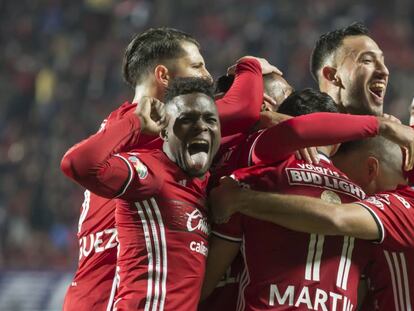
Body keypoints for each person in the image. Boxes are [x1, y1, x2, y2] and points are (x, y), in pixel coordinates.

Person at [62, 26, 276, 310]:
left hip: (93, 290)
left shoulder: (118, 125)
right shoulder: (156, 123)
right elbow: (243, 107)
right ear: (163, 76)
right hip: (116, 296)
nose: (208, 77)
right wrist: (250, 65)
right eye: (197, 65)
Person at [202, 89, 414, 310]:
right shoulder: (362, 199)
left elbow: (207, 280)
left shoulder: (247, 182)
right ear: (337, 141)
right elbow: (359, 289)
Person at [61, 78, 221, 310]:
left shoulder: (205, 185)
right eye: (186, 119)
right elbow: (77, 164)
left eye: (210, 119)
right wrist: (135, 121)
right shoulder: (150, 172)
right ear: (164, 132)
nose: (202, 126)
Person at [311, 22, 389, 116]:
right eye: (367, 60)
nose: (384, 71)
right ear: (332, 76)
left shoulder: (390, 128)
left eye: (382, 61)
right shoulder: (299, 128)